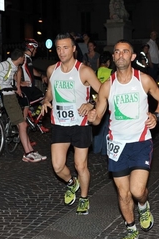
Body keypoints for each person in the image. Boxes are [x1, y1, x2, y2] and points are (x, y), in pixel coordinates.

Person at [87, 39, 159, 239]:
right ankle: (131, 227)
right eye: (117, 52)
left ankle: (143, 205)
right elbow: (98, 117)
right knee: (123, 193)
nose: (120, 54)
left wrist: (156, 116)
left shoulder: (144, 80)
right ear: (113, 57)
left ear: (132, 57)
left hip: (140, 143)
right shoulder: (107, 86)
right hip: (117, 146)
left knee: (137, 191)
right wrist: (92, 116)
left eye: (125, 52)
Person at [41, 33, 102, 215]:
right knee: (58, 166)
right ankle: (71, 183)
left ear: (74, 49)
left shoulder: (84, 71)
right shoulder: (52, 70)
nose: (61, 51)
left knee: (80, 165)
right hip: (59, 123)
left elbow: (104, 93)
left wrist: (91, 103)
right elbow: (50, 92)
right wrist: (46, 100)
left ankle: (83, 198)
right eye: (58, 48)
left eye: (66, 47)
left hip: (80, 124)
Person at [0, 48, 47, 163]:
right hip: (6, 96)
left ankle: (31, 151)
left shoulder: (14, 65)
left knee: (22, 125)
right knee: (22, 125)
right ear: (19, 58)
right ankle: (27, 153)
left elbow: (17, 71)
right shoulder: (5, 64)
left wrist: (18, 86)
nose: (24, 59)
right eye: (23, 57)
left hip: (11, 94)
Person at [17, 39, 49, 133]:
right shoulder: (23, 58)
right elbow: (14, 70)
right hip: (25, 88)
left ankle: (37, 122)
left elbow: (32, 70)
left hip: (31, 87)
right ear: (31, 48)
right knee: (25, 110)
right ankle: (22, 135)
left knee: (44, 99)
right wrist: (20, 83)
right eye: (35, 49)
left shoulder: (28, 58)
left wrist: (41, 75)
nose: (36, 51)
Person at [92, 51, 113, 155]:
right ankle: (105, 151)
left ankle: (96, 149)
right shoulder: (112, 73)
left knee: (98, 127)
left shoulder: (94, 72)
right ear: (109, 62)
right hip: (107, 104)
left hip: (95, 103)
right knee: (107, 128)